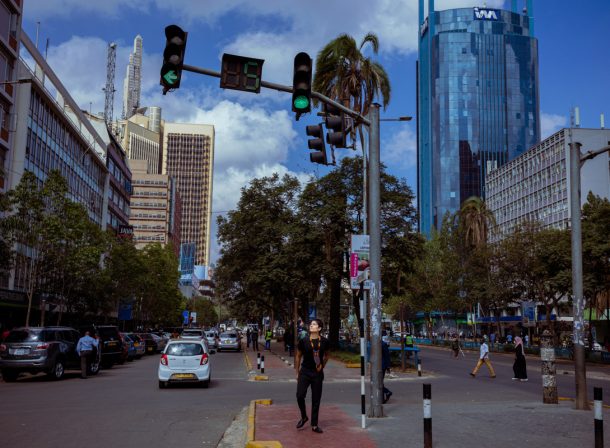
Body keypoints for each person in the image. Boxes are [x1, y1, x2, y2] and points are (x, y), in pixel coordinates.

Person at [295, 319, 329, 434]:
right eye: (311, 324)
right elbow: (298, 356)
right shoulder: (303, 341)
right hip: (305, 371)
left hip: (317, 373)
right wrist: (297, 371)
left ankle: (314, 424)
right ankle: (304, 416)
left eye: (314, 324)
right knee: (300, 395)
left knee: (316, 399)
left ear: (319, 328)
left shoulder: (324, 341)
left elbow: (327, 355)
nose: (311, 325)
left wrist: (322, 366)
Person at [381, 334, 393, 403]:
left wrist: (388, 366)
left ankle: (387, 392)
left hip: (382, 366)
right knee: (378, 382)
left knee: (378, 382)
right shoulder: (376, 344)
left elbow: (387, 356)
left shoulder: (383, 344)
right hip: (378, 366)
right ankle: (383, 396)